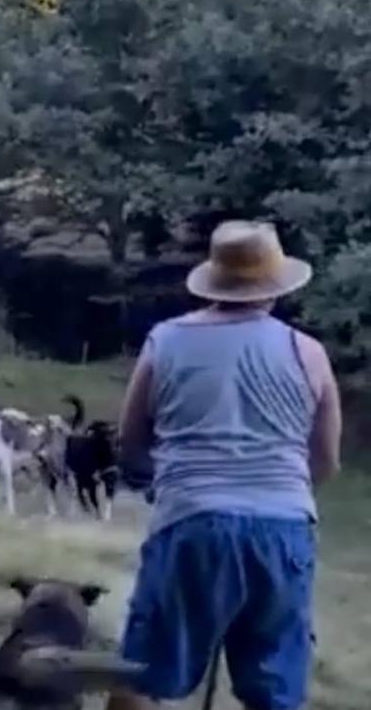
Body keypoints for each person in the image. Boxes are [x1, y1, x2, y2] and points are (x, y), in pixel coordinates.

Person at [108, 220, 342, 710]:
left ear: (214, 279)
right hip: (283, 527)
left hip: (192, 520)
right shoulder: (310, 354)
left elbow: (130, 443)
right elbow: (325, 461)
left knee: (141, 676)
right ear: (277, 286)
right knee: (276, 690)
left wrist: (168, 483)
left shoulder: (166, 340)